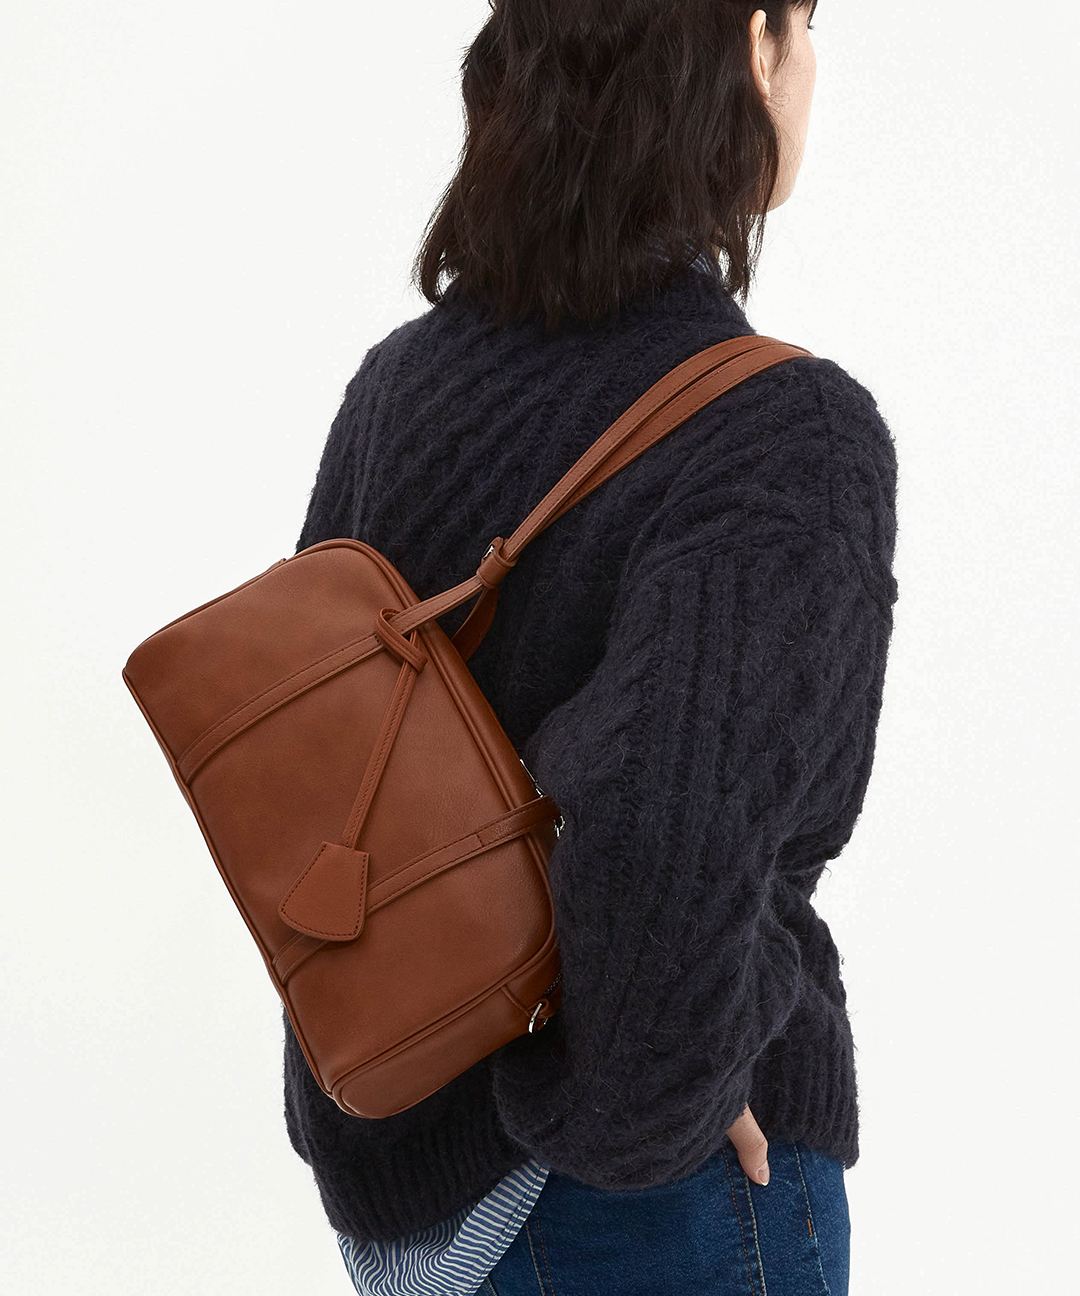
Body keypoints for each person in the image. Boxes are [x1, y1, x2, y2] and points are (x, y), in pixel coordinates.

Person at [281, 2, 898, 1293]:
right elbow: (663, 824)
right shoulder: (786, 427)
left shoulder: (400, 387)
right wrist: (643, 1117)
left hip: (413, 1165)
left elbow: (311, 763)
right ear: (751, 48)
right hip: (649, 1198)